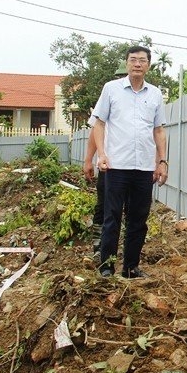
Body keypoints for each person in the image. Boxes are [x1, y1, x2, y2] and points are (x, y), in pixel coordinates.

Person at [92, 46, 168, 279]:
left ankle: (131, 267)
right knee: (112, 217)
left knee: (138, 219)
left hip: (144, 168)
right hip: (116, 166)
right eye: (133, 60)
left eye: (142, 60)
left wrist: (162, 161)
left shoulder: (155, 94)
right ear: (126, 63)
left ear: (148, 65)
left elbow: (158, 130)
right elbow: (99, 123)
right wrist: (101, 154)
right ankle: (107, 266)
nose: (137, 64)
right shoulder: (111, 89)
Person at [83, 61, 129, 258]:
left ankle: (126, 251)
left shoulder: (142, 102)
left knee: (131, 210)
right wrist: (88, 160)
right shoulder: (109, 97)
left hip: (134, 166)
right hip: (109, 164)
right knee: (104, 206)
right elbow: (95, 131)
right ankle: (99, 246)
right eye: (120, 76)